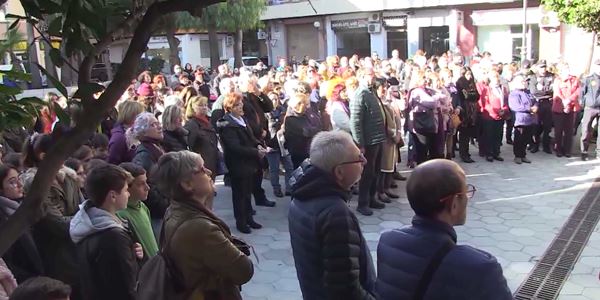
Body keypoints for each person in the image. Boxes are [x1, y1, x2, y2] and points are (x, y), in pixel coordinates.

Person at [376, 159, 512, 300]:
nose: (467, 198)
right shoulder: (482, 267)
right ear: (453, 204)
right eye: (465, 192)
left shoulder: (387, 241)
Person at [288, 131, 376, 300]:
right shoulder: (335, 214)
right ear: (339, 172)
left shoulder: (301, 195)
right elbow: (346, 290)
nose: (364, 161)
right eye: (359, 158)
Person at [154, 151, 254, 298]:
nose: (209, 172)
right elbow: (244, 271)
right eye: (202, 169)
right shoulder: (200, 228)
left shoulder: (174, 209)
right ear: (187, 184)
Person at [69, 164, 142, 300]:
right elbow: (126, 286)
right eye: (126, 190)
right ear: (113, 196)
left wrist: (133, 256)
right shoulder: (114, 236)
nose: (129, 194)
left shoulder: (87, 224)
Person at [217, 93, 267, 233]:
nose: (241, 107)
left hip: (249, 162)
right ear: (229, 107)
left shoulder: (242, 119)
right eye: (237, 105)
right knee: (239, 194)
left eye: (241, 104)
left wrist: (258, 145)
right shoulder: (225, 122)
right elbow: (234, 147)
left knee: (247, 192)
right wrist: (255, 152)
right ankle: (241, 222)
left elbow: (251, 137)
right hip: (238, 164)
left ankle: (249, 218)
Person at [350, 68, 387, 216]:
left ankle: (372, 197)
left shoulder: (371, 92)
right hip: (368, 141)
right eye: (370, 75)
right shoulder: (360, 94)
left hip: (378, 138)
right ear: (362, 76)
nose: (372, 78)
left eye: (373, 75)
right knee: (367, 173)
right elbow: (355, 121)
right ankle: (363, 203)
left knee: (376, 171)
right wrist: (360, 144)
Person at [0, 164, 44, 283]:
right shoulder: (4, 218)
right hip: (26, 282)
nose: (20, 185)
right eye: (12, 182)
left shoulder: (22, 206)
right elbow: (7, 260)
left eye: (19, 178)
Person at [117, 163, 158, 259]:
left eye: (146, 182)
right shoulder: (121, 214)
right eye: (141, 184)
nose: (147, 188)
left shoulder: (143, 206)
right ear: (126, 187)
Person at [265, 92, 294, 198]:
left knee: (289, 166)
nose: (275, 101)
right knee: (274, 168)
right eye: (272, 99)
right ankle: (276, 189)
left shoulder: (283, 111)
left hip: (283, 142)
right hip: (271, 143)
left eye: (276, 99)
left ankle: (289, 188)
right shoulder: (266, 113)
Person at [184, 96, 220, 178]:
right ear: (193, 107)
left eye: (205, 105)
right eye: (200, 105)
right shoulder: (192, 124)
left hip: (211, 160)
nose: (204, 107)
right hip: (202, 162)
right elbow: (190, 145)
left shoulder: (207, 121)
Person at [477, 71, 509, 162]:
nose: (497, 79)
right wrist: (495, 111)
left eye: (497, 77)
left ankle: (496, 152)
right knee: (489, 135)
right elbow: (484, 104)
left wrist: (504, 110)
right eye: (495, 78)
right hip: (489, 116)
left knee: (498, 135)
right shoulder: (486, 89)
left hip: (500, 116)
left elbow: (506, 101)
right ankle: (489, 153)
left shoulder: (502, 89)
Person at [284, 93, 321, 168]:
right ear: (298, 105)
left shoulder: (304, 116)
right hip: (298, 152)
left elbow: (317, 127)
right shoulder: (290, 118)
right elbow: (306, 132)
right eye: (305, 105)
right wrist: (315, 129)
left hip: (308, 150)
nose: (307, 107)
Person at [508, 74, 538, 164]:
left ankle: (523, 155)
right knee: (519, 138)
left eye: (525, 81)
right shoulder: (514, 94)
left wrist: (536, 106)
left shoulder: (528, 92)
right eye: (522, 81)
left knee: (526, 138)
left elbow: (535, 101)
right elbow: (515, 106)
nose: (525, 83)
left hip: (530, 119)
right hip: (520, 120)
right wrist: (529, 109)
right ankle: (517, 156)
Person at [552, 63, 580, 158]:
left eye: (567, 68)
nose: (567, 70)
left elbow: (577, 91)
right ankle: (558, 149)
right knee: (558, 130)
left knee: (569, 131)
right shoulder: (558, 80)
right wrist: (564, 101)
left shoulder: (574, 79)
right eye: (564, 69)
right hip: (559, 107)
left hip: (571, 107)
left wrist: (569, 100)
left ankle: (567, 150)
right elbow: (557, 92)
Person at [528, 60, 555, 154]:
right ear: (537, 68)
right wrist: (546, 91)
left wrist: (543, 91)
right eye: (541, 67)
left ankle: (546, 146)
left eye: (544, 67)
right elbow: (533, 91)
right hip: (537, 102)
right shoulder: (533, 77)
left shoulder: (551, 76)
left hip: (548, 103)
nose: (543, 69)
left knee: (547, 126)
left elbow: (553, 90)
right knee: (536, 125)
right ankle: (535, 145)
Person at [107, 100, 145, 165]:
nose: (144, 118)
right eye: (140, 116)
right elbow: (113, 163)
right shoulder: (119, 137)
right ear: (131, 116)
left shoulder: (137, 133)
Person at [455, 67, 480, 163]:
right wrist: (471, 95)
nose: (469, 76)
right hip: (464, 112)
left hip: (472, 112)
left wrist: (471, 95)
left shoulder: (472, 83)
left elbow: (477, 96)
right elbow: (464, 96)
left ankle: (466, 151)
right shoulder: (460, 83)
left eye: (470, 74)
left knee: (468, 134)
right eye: (467, 74)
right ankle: (463, 154)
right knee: (464, 134)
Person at [579, 59, 600, 161]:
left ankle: (599, 153)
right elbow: (582, 92)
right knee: (586, 130)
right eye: (598, 66)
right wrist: (583, 104)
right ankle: (584, 152)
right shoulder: (588, 79)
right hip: (590, 107)